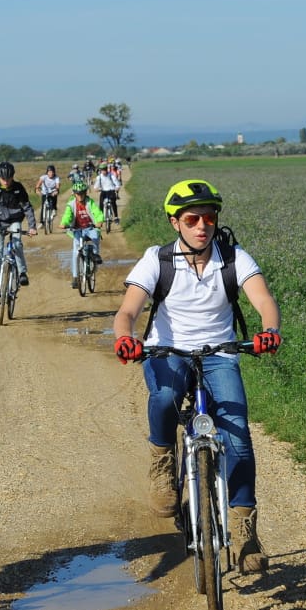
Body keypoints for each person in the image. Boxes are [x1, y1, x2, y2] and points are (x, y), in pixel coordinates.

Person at [111, 179, 282, 573]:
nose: (202, 225)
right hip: (167, 351)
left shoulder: (234, 258)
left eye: (208, 217)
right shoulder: (157, 260)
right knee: (165, 398)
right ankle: (162, 460)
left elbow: (263, 300)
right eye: (192, 219)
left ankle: (245, 531)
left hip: (220, 354)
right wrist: (125, 338)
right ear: (175, 222)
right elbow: (128, 311)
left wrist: (270, 330)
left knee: (237, 436)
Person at [0, 161, 37, 307]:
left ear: (13, 177)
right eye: (3, 179)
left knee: (16, 244)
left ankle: (22, 273)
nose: (6, 181)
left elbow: (27, 208)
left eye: (9, 178)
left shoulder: (18, 188)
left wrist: (32, 227)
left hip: (14, 221)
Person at [60, 181, 104, 287]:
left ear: (85, 193)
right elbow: (67, 216)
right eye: (78, 194)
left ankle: (95, 255)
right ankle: (75, 278)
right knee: (76, 252)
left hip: (90, 227)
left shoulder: (90, 202)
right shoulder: (71, 204)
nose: (80, 196)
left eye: (82, 193)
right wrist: (64, 223)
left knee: (95, 237)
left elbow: (97, 213)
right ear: (74, 194)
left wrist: (99, 221)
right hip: (77, 230)